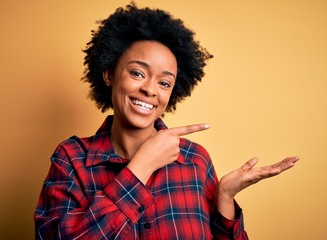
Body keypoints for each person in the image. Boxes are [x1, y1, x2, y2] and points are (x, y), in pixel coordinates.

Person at [34, 3, 299, 239]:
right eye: (137, 73)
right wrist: (141, 166)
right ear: (109, 74)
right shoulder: (71, 159)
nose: (150, 90)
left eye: (164, 82)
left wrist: (225, 199)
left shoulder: (195, 160)